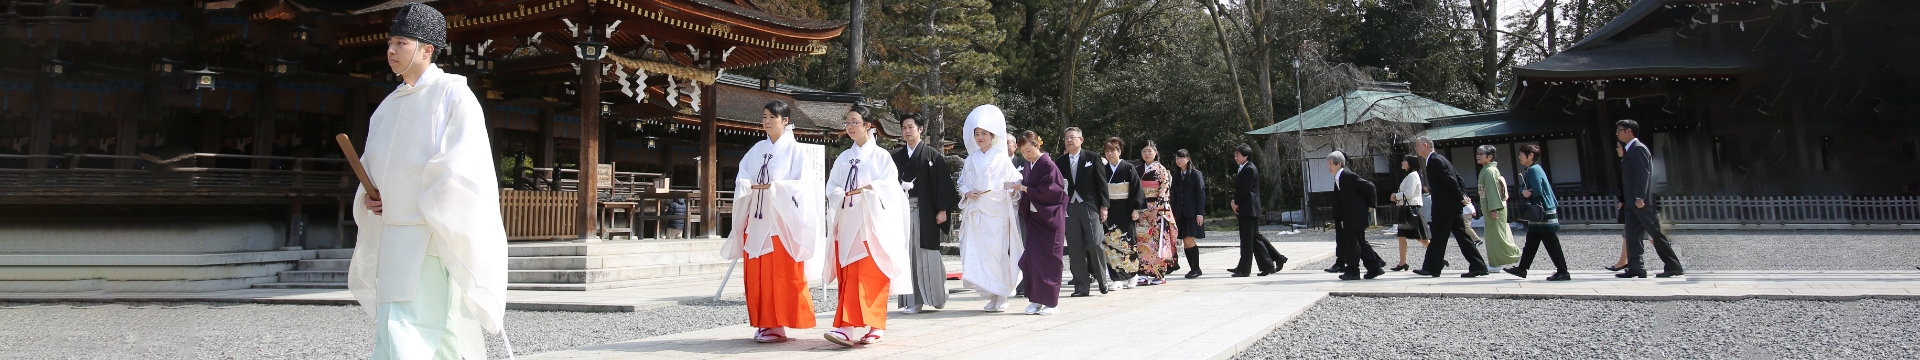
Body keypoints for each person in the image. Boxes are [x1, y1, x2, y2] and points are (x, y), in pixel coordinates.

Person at [347, 4, 511, 358]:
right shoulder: (388, 106)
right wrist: (371, 196)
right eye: (390, 42)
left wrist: (411, 199)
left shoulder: (453, 95)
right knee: (433, 328)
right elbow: (373, 165)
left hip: (429, 232)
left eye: (401, 43)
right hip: (394, 232)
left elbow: (461, 168)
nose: (391, 50)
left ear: (426, 50)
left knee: (409, 324)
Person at [724, 100, 825, 343]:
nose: (767, 121)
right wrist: (747, 185)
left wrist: (776, 187)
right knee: (757, 274)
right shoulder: (757, 148)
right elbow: (742, 175)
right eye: (764, 116)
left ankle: (780, 324)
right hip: (757, 219)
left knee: (781, 274)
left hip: (781, 222)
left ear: (785, 121)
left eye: (772, 117)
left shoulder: (796, 150)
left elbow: (803, 186)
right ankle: (765, 322)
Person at [821, 105, 913, 346]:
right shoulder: (843, 158)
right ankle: (846, 327)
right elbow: (832, 188)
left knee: (872, 274)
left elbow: (891, 188)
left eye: (855, 122)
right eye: (848, 122)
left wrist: (869, 190)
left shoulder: (881, 157)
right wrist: (840, 194)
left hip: (872, 225)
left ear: (868, 125)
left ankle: (875, 325)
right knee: (849, 276)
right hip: (849, 222)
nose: (850, 127)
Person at [957, 105, 1025, 311]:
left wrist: (1010, 190)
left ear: (992, 135)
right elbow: (962, 182)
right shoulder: (971, 158)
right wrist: (968, 192)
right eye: (977, 134)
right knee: (980, 253)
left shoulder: (1001, 158)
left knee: (998, 253)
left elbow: (1016, 180)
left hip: (997, 212)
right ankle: (990, 293)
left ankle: (1002, 293)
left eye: (984, 134)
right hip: (977, 211)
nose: (979, 137)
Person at [890, 113, 956, 314]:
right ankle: (914, 301)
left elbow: (942, 183)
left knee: (928, 254)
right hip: (902, 210)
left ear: (920, 129)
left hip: (925, 211)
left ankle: (937, 297)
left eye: (911, 127)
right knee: (907, 255)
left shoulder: (931, 155)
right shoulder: (896, 157)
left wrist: (942, 209)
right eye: (904, 127)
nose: (907, 131)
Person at [1411, 136, 1490, 277]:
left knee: (1438, 237)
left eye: (1417, 146)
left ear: (1425, 145)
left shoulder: (1435, 161)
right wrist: (1462, 196)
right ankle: (1478, 265)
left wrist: (1461, 197)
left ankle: (1432, 267)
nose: (1416, 149)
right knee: (1461, 237)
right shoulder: (1441, 159)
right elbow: (1458, 178)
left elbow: (1450, 180)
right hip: (1451, 205)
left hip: (1444, 206)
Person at [1616, 119, 1684, 278]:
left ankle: (1673, 265)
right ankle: (1636, 267)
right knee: (1632, 235)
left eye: (1620, 130)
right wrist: (1624, 198)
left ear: (1629, 131)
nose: (1617, 133)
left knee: (1655, 232)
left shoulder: (1638, 149)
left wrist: (1640, 197)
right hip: (1631, 201)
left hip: (1641, 201)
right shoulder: (1630, 149)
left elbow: (1643, 175)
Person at [1011, 131, 1067, 315]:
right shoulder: (1029, 165)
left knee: (1050, 260)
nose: (1027, 154)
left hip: (1050, 219)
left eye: (1029, 150)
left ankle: (1051, 302)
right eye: (1023, 152)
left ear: (1038, 146)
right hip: (1035, 219)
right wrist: (1018, 190)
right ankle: (1035, 299)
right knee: (1032, 259)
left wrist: (1024, 188)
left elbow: (1051, 192)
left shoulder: (1049, 165)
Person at [1057, 127, 1112, 296]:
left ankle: (1102, 279)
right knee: (1075, 246)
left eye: (1072, 137)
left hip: (1089, 205)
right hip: (1070, 207)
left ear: (1081, 140)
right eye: (1066, 138)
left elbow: (1102, 184)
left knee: (1096, 243)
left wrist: (1104, 206)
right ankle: (1081, 286)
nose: (1069, 140)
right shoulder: (1060, 161)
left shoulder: (1092, 157)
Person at [1504, 144, 1569, 281]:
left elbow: (1537, 191)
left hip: (1542, 211)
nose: (1520, 156)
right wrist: (1523, 191)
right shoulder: (1533, 169)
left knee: (1550, 241)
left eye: (1522, 154)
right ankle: (1522, 268)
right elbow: (1524, 188)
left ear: (1531, 156)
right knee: (1532, 240)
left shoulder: (1533, 170)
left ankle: (1563, 271)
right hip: (1541, 210)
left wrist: (1526, 192)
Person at [1228, 144, 1286, 277]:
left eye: (1238, 154)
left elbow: (1245, 189)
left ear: (1246, 155)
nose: (1235, 157)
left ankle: (1245, 269)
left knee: (1248, 239)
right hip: (1247, 208)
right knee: (1254, 238)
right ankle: (1269, 264)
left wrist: (1235, 201)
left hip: (1249, 208)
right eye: (1235, 154)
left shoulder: (1249, 169)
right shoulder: (1244, 168)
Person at [1327, 151, 1386, 280]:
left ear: (1339, 164)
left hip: (1356, 215)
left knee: (1352, 244)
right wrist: (1342, 217)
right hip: (1351, 215)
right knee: (1359, 242)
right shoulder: (1339, 177)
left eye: (1331, 163)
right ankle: (1374, 267)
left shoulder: (1347, 175)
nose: (1329, 166)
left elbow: (1370, 187)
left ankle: (1353, 271)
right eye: (1328, 163)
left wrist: (1371, 205)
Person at [1100, 137, 1144, 290]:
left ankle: (1133, 274)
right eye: (1107, 151)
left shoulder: (1128, 167)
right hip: (1110, 208)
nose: (1110, 154)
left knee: (1128, 241)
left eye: (1113, 151)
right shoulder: (1104, 169)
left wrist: (1136, 209)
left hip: (1126, 208)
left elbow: (1137, 188)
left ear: (1119, 151)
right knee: (1110, 243)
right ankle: (1116, 278)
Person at [1133, 141, 1178, 285]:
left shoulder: (1161, 169)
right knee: (1142, 241)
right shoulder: (1137, 169)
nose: (1147, 154)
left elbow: (1164, 190)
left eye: (1149, 151)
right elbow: (1134, 190)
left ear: (1156, 152)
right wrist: (1137, 208)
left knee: (1158, 242)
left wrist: (1156, 210)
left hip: (1157, 211)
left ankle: (1160, 274)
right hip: (1141, 208)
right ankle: (1143, 273)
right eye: (1144, 151)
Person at [1476, 145, 1520, 271]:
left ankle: (1512, 255)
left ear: (1490, 157)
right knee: (1493, 237)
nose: (1478, 156)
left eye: (1481, 153)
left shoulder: (1489, 171)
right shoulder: (1487, 169)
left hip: (1494, 208)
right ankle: (1495, 263)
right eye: (1477, 153)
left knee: (1497, 236)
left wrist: (1493, 209)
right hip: (1491, 206)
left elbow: (1492, 191)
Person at [1169, 149, 1208, 279]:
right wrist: (1172, 214)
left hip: (1192, 213)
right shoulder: (1175, 176)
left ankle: (1196, 268)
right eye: (1177, 158)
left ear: (1188, 159)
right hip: (1179, 213)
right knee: (1185, 242)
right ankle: (1193, 269)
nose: (1179, 160)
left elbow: (1201, 195)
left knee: (1189, 240)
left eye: (1182, 158)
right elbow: (1173, 197)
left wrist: (1200, 213)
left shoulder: (1196, 174)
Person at [1388, 155, 1429, 271]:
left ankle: (1437, 257)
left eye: (1404, 161)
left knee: (1420, 237)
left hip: (1412, 209)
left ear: (1410, 163)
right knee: (1401, 236)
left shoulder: (1413, 175)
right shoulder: (1409, 176)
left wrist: (1396, 196)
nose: (1402, 162)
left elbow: (1409, 193)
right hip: (1405, 209)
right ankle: (1402, 262)